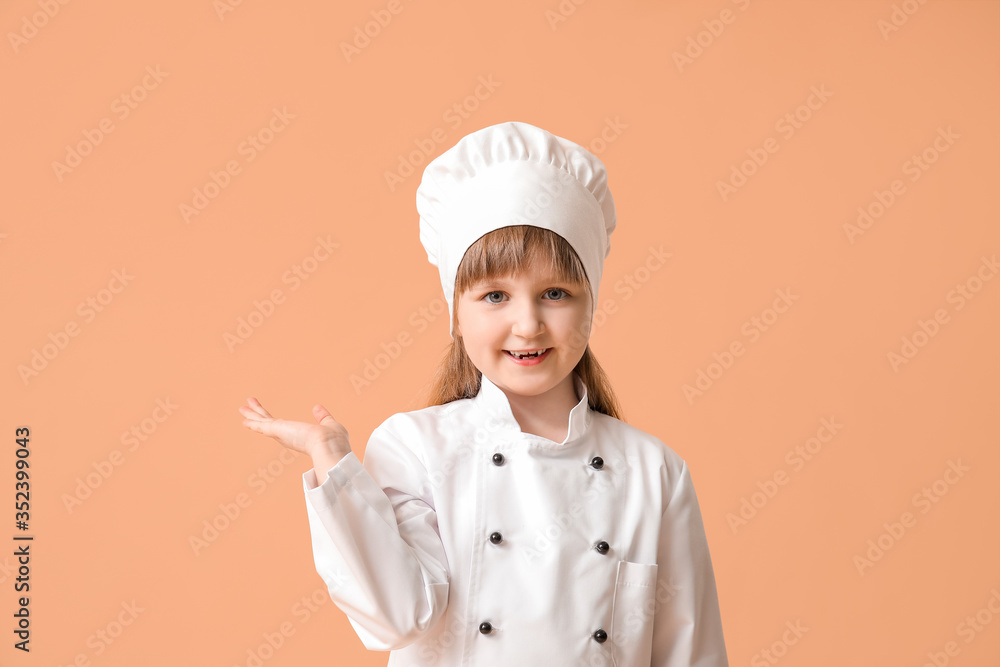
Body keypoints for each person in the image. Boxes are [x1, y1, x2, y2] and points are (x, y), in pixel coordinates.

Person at [238, 121, 729, 666]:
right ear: (455, 314)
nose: (528, 324)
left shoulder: (655, 471)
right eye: (495, 296)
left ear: (591, 305)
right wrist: (333, 461)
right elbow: (397, 617)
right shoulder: (415, 447)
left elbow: (692, 653)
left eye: (556, 293)